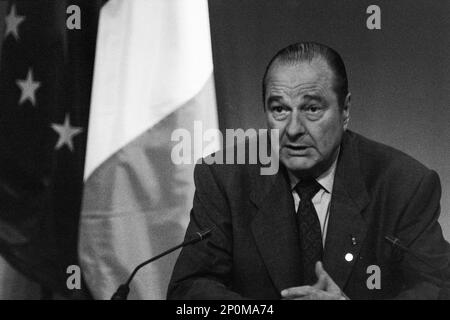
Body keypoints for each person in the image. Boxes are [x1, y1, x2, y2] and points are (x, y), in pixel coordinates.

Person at [167, 42, 450, 299]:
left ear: (345, 110)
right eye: (279, 109)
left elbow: (437, 287)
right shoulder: (225, 177)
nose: (292, 129)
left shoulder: (403, 184)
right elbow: (189, 289)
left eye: (312, 109)